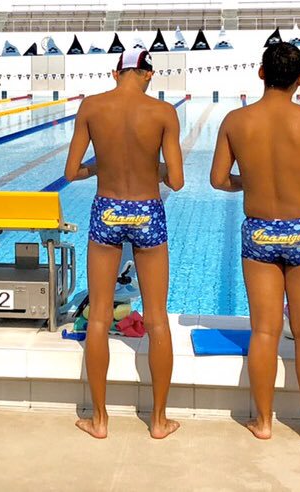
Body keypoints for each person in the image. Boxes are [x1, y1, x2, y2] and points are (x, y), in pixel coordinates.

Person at [209, 42, 300, 442]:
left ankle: (263, 422)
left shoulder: (236, 120)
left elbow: (218, 180)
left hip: (259, 231)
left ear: (261, 73)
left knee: (264, 332)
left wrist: (248, 182)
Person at [64, 47, 185, 440]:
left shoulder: (91, 107)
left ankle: (99, 420)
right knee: (156, 318)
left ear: (115, 73)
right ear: (148, 74)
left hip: (108, 208)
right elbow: (177, 181)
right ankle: (159, 420)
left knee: (99, 317)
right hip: (147, 210)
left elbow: (72, 171)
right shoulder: (163, 113)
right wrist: (152, 167)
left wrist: (103, 164)